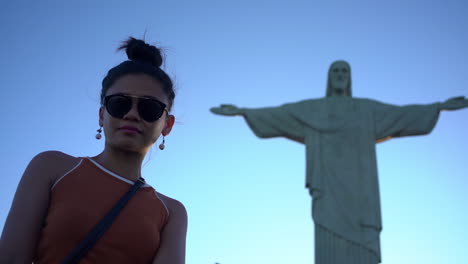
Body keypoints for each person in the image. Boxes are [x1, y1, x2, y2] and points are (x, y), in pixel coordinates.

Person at [210, 60, 468, 264]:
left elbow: (401, 114)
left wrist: (438, 107)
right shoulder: (314, 109)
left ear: (350, 77)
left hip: (360, 193)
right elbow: (282, 114)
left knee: (362, 244)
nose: (340, 74)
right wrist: (244, 111)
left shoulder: (366, 109)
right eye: (336, 70)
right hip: (328, 190)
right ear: (329, 76)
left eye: (345, 70)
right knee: (329, 241)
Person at [0, 37, 187, 264]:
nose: (132, 114)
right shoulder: (52, 167)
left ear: (167, 125)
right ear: (102, 115)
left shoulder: (171, 212)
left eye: (149, 108)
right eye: (119, 103)